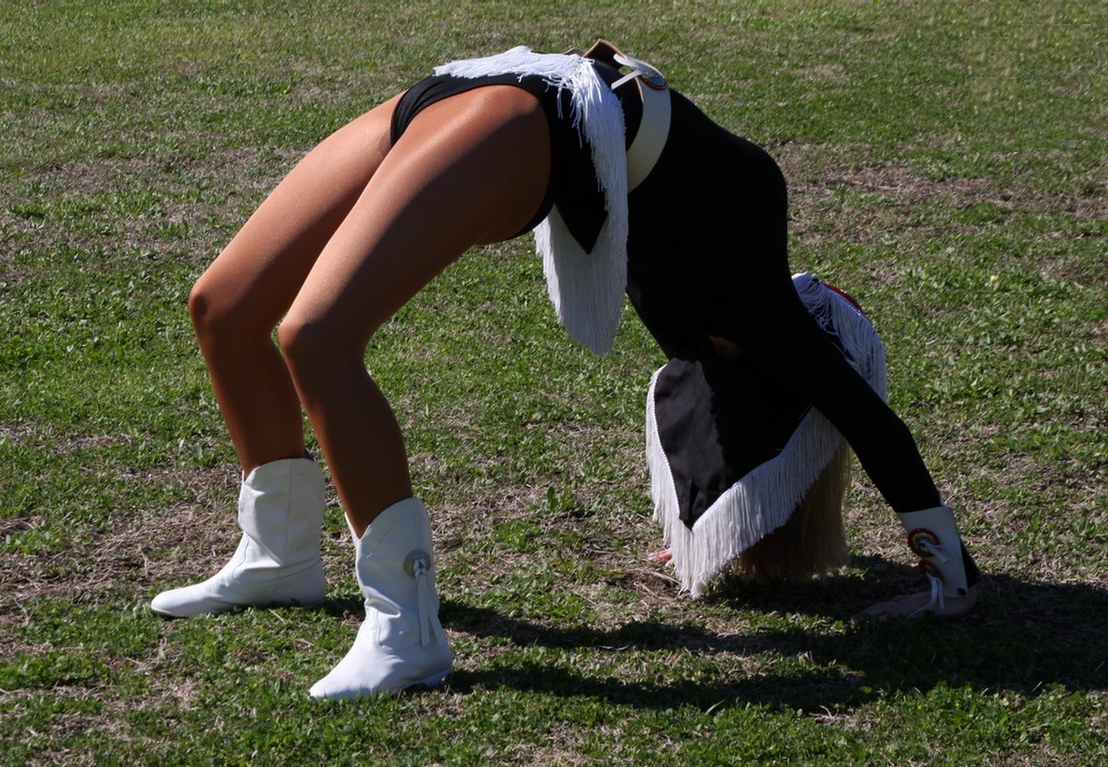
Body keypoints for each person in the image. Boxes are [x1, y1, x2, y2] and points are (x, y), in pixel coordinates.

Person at [149, 41, 979, 700]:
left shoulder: (746, 317)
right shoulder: (754, 287)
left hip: (521, 121)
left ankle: (405, 630)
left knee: (317, 336)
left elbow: (857, 412)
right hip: (497, 87)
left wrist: (947, 574)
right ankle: (280, 555)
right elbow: (857, 407)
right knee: (223, 306)